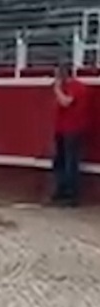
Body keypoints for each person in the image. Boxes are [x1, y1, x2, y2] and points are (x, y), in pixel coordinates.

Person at [51, 64, 89, 207]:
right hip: (62, 129)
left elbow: (66, 102)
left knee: (70, 162)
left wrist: (57, 89)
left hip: (73, 129)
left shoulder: (76, 87)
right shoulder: (72, 87)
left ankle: (71, 195)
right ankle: (62, 191)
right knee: (61, 161)